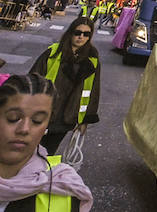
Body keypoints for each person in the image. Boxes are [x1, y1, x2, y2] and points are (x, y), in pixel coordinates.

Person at [0, 74, 92, 211]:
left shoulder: (64, 186)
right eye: (13, 118)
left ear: (47, 125)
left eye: (37, 120)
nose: (24, 129)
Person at [27, 18, 99, 155]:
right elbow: (32, 79)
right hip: (43, 113)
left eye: (86, 34)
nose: (81, 37)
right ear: (70, 32)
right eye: (77, 32)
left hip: (67, 117)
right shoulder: (53, 53)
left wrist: (85, 120)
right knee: (27, 150)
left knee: (48, 154)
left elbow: (94, 91)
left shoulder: (92, 59)